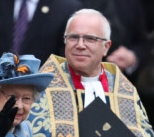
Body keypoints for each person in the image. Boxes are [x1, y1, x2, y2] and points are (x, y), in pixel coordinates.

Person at [27, 9, 154, 137]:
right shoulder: (42, 85)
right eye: (73, 37)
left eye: (90, 39)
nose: (80, 45)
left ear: (106, 47)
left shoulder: (125, 91)